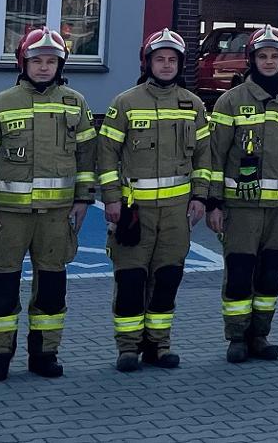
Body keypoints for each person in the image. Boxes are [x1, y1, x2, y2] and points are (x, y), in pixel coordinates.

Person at [0, 26, 96, 381]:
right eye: (36, 60)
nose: (43, 67)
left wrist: (84, 200)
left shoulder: (76, 103)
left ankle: (45, 353)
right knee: (2, 289)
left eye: (51, 61)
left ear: (60, 64)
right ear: (22, 63)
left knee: (52, 289)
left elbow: (88, 157)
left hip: (56, 216)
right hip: (7, 218)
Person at [98, 28, 215, 371]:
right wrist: (111, 199)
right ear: (147, 62)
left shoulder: (193, 105)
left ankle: (159, 346)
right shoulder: (125, 102)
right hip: (136, 210)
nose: (166, 65)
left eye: (172, 60)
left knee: (167, 279)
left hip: (177, 213)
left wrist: (200, 198)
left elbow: (204, 157)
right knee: (131, 279)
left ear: (180, 64)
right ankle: (128, 348)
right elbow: (107, 154)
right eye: (160, 59)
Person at [208, 27, 278, 363]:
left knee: (271, 275)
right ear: (252, 59)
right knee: (240, 274)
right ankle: (237, 337)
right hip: (241, 207)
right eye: (262, 56)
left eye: (274, 56)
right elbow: (215, 156)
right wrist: (213, 201)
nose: (268, 62)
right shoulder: (231, 101)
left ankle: (261, 335)